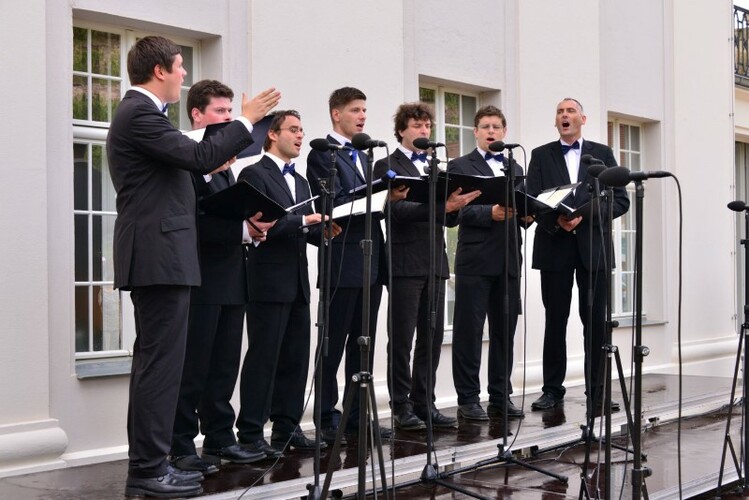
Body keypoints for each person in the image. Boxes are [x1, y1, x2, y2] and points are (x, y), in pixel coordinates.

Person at [106, 36, 279, 498]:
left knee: (158, 366)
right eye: (180, 66)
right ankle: (148, 469)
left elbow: (185, 169)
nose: (184, 74)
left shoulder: (146, 116)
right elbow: (197, 156)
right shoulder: (138, 112)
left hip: (163, 257)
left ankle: (151, 464)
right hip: (158, 257)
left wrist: (213, 161)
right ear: (160, 70)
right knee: (160, 367)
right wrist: (247, 119)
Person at [170, 80, 274, 475]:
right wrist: (241, 230)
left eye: (232, 112)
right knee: (192, 367)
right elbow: (192, 222)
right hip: (201, 281)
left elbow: (228, 215)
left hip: (233, 279)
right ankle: (181, 445)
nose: (229, 118)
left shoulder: (228, 170)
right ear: (197, 115)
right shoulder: (187, 165)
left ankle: (219, 437)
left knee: (225, 366)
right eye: (221, 112)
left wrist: (252, 229)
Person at [236, 110, 340, 455]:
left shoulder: (303, 181)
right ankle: (251, 432)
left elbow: (301, 230)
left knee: (296, 359)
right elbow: (260, 226)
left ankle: (287, 427)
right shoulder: (254, 173)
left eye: (301, 130)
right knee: (264, 358)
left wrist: (323, 231)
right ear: (272, 134)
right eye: (293, 130)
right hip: (266, 281)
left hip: (297, 282)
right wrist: (303, 221)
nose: (299, 136)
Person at [373, 103, 479, 430]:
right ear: (401, 130)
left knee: (431, 339)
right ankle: (400, 406)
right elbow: (394, 211)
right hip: (404, 262)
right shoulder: (386, 165)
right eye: (417, 125)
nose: (424, 130)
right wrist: (441, 206)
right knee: (402, 339)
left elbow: (449, 219)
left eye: (427, 126)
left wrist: (454, 207)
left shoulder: (436, 167)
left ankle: (424, 402)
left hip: (435, 261)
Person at [306, 87, 401, 443]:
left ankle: (356, 416)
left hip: (370, 260)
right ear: (336, 113)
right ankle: (326, 417)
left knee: (363, 344)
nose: (362, 116)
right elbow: (333, 202)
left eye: (364, 110)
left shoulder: (364, 155)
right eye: (355, 110)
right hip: (342, 259)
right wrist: (375, 192)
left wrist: (387, 195)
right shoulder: (323, 154)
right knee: (332, 344)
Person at [525, 97, 629, 412]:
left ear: (583, 119)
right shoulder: (541, 155)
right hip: (554, 245)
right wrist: (555, 220)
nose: (565, 115)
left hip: (593, 249)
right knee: (555, 321)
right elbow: (531, 199)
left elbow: (620, 200)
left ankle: (597, 392)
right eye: (560, 111)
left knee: (595, 323)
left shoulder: (602, 154)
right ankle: (551, 391)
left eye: (570, 111)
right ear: (556, 121)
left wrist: (585, 215)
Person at [448, 105, 531, 422]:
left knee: (504, 332)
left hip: (508, 260)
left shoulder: (514, 167)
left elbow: (521, 206)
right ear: (476, 132)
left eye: (496, 127)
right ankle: (468, 398)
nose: (491, 131)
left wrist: (529, 214)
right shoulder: (460, 165)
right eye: (485, 126)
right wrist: (489, 213)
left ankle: (500, 396)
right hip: (475, 260)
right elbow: (454, 211)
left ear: (504, 132)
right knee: (469, 332)